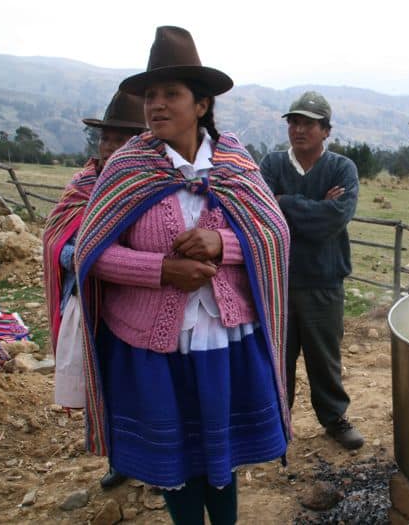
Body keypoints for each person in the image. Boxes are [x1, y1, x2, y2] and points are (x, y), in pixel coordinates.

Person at [73, 26, 291, 525]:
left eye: (172, 94)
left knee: (221, 456)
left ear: (202, 105)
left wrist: (223, 243)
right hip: (152, 344)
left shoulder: (235, 162)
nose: (156, 105)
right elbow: (93, 251)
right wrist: (161, 271)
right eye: (150, 95)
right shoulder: (127, 166)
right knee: (173, 460)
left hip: (224, 339)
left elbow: (274, 235)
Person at [43, 90, 146, 490]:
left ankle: (155, 458)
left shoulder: (152, 188)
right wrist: (84, 255)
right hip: (92, 305)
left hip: (140, 304)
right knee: (103, 380)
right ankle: (120, 459)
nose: (112, 147)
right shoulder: (85, 183)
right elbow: (57, 238)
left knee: (143, 383)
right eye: (107, 139)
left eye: (123, 140)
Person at [260, 91, 363, 450]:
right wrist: (311, 207)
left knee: (325, 358)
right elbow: (264, 217)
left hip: (324, 283)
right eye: (293, 122)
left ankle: (334, 419)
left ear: (326, 130)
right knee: (277, 359)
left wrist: (284, 203)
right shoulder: (271, 165)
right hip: (279, 282)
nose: (298, 128)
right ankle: (276, 423)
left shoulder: (342, 168)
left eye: (308, 123)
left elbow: (333, 222)